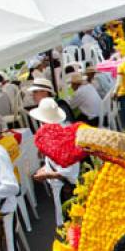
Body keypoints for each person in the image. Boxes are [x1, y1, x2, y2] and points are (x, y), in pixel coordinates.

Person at [30, 98, 80, 228]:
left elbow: (70, 172)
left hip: (66, 190)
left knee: (71, 225)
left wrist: (47, 175)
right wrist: (45, 168)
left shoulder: (63, 138)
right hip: (60, 189)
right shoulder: (52, 134)